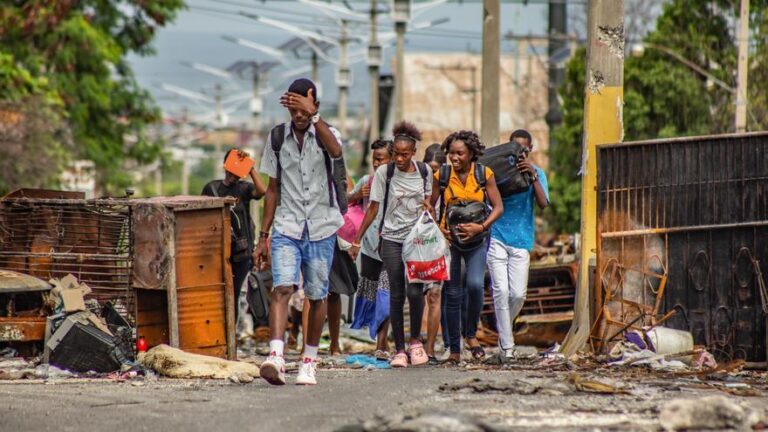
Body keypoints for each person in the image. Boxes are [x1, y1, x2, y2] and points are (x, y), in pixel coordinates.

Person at [254, 78, 345, 386]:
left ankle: (309, 361)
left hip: (321, 226)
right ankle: (276, 356)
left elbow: (336, 151)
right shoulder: (277, 137)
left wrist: (314, 116)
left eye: (304, 108)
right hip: (287, 226)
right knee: (282, 288)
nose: (299, 114)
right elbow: (272, 189)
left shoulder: (328, 134)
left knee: (317, 296)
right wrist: (263, 236)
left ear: (315, 106)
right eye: (294, 108)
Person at [349, 121, 433, 368]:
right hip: (391, 239)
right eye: (396, 154)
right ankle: (399, 349)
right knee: (396, 293)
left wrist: (429, 209)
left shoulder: (425, 172)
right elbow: (373, 208)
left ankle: (415, 342)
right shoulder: (384, 173)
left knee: (415, 292)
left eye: (405, 154)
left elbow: (429, 203)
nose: (399, 159)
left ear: (414, 152)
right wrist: (357, 239)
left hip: (416, 240)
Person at [430, 130, 503, 364]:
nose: (454, 157)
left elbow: (498, 207)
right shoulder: (442, 175)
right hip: (451, 243)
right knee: (452, 294)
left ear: (471, 153)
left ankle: (470, 334)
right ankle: (454, 348)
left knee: (474, 285)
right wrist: (439, 228)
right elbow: (429, 206)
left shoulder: (484, 174)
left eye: (460, 153)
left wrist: (481, 227)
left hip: (477, 242)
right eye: (451, 153)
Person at [487, 129, 549, 361]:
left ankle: (504, 326)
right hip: (497, 236)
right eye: (515, 149)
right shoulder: (497, 172)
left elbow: (543, 203)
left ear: (530, 149)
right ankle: (507, 346)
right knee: (501, 291)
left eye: (523, 150)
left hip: (522, 240)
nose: (519, 154)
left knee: (518, 295)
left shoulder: (538, 173)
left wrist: (532, 176)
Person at [202, 149, 266, 324]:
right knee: (217, 293)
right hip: (217, 251)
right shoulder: (212, 188)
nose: (233, 176)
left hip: (241, 254)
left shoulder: (244, 188)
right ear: (225, 166)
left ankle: (231, 334)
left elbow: (262, 191)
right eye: (231, 170)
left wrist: (250, 168)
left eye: (237, 172)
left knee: (233, 294)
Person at [349, 139, 393, 359]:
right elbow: (346, 201)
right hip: (368, 248)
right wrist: (358, 194)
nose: (376, 163)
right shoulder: (366, 181)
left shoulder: (398, 184)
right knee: (371, 295)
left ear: (391, 160)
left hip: (392, 247)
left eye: (381, 159)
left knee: (386, 293)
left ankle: (381, 343)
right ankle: (379, 339)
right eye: (374, 159)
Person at [421, 144, 447, 364]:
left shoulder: (449, 189)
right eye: (430, 169)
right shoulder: (416, 185)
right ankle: (413, 344)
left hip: (439, 247)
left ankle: (429, 348)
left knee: (434, 294)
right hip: (417, 246)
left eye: (437, 170)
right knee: (414, 295)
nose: (433, 175)